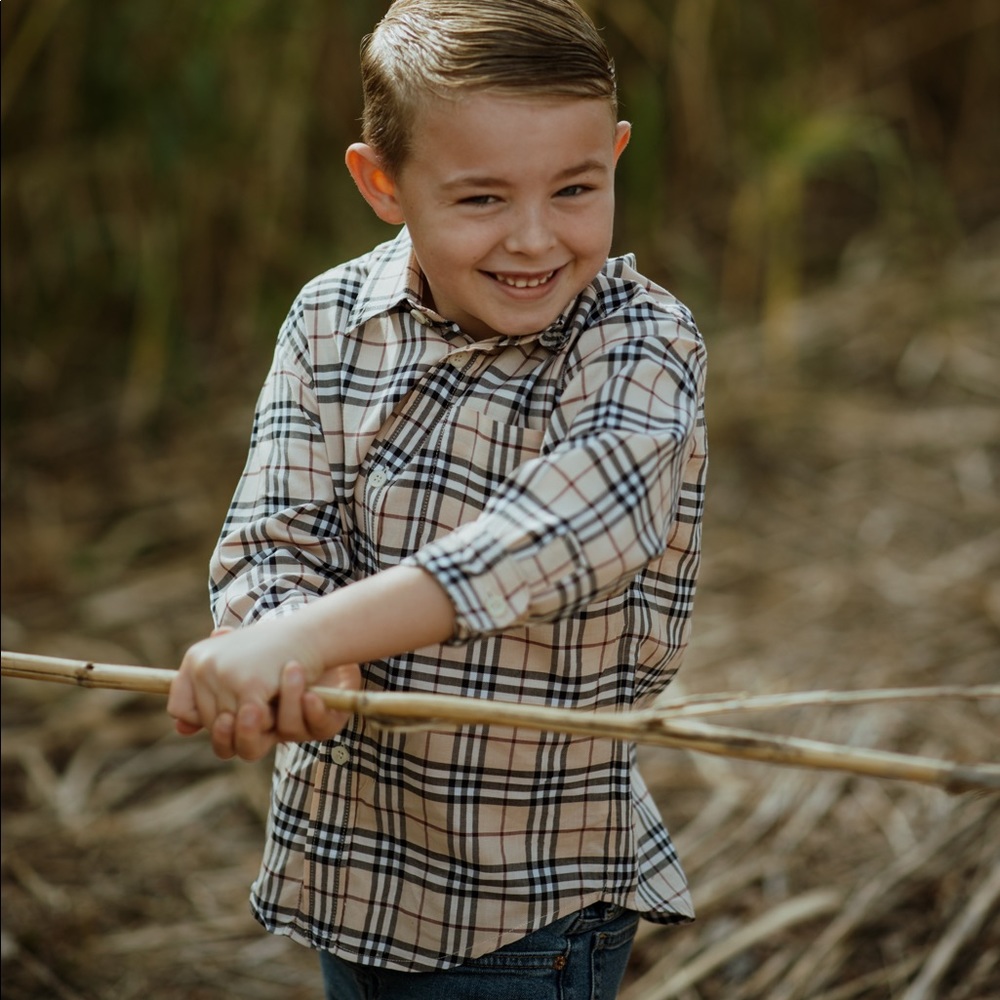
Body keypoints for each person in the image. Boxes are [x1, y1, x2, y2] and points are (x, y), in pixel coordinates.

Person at [167, 1, 708, 996]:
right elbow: (272, 536)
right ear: (382, 182)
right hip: (352, 873)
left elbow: (572, 529)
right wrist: (283, 645)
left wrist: (318, 633)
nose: (534, 238)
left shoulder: (638, 341)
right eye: (481, 198)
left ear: (615, 156)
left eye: (575, 187)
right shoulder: (331, 320)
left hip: (525, 905)